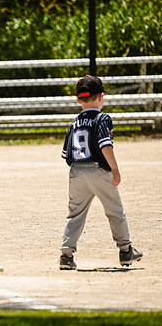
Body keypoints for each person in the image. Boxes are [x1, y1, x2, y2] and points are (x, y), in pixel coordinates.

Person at [59, 75, 142, 270]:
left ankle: (66, 255)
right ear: (101, 97)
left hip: (76, 172)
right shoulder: (102, 118)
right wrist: (114, 169)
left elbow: (66, 153)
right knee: (115, 211)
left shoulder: (74, 122)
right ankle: (125, 250)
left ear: (78, 100)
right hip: (99, 170)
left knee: (75, 214)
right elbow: (105, 146)